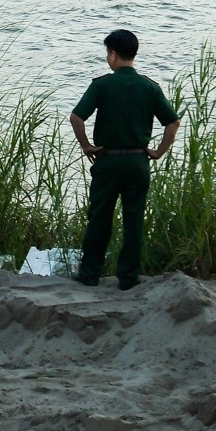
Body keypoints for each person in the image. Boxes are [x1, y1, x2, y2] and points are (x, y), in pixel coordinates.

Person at [68, 29, 180, 291]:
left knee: (99, 218)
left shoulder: (102, 85)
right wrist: (158, 151)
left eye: (109, 53)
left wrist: (87, 146)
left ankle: (90, 273)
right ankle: (128, 277)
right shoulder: (150, 87)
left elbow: (76, 118)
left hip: (107, 161)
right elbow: (173, 123)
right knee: (134, 219)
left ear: (113, 54)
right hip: (137, 163)